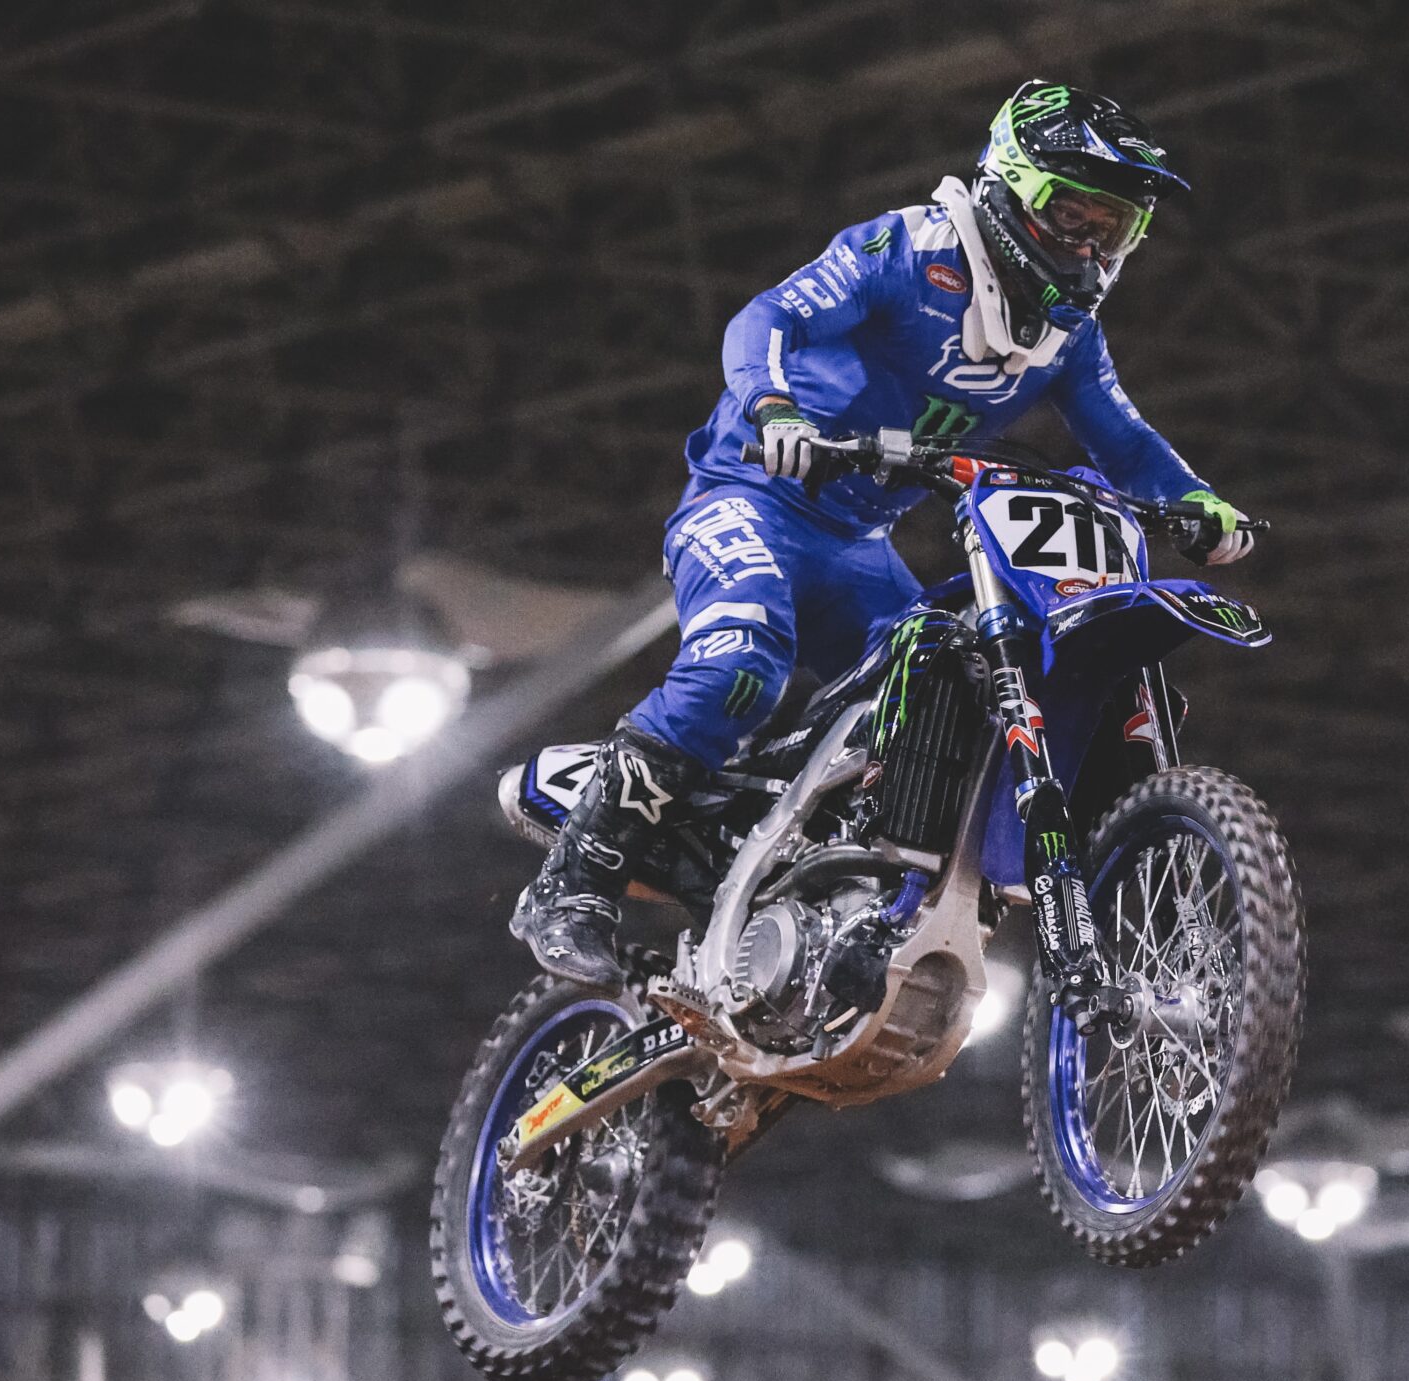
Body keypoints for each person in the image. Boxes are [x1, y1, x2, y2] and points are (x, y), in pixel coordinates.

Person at [513, 79, 1256, 986]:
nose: (1092, 246)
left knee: (952, 693)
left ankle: (822, 878)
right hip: (750, 499)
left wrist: (1200, 504)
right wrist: (774, 406)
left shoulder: (1069, 335)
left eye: (1117, 228)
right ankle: (576, 880)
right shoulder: (908, 247)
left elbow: (1124, 436)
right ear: (1010, 187)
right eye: (1073, 214)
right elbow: (767, 317)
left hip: (859, 544)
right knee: (743, 663)